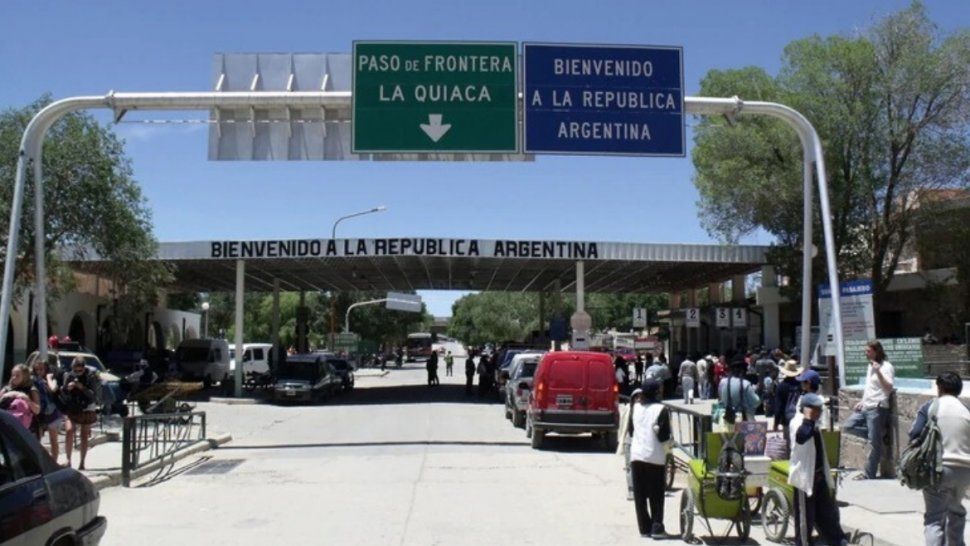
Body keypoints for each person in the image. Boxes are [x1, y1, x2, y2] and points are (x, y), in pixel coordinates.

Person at [909, 372, 970, 546]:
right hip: (965, 471)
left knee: (935, 519)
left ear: (940, 387)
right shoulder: (966, 409)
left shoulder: (931, 406)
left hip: (939, 469)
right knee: (956, 510)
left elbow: (914, 434)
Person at [789, 392, 850, 546]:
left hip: (818, 477)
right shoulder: (798, 423)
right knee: (805, 520)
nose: (820, 413)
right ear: (808, 410)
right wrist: (808, 419)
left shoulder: (813, 424)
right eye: (817, 410)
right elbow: (801, 437)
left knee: (826, 512)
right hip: (805, 479)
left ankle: (836, 540)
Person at [843, 340, 895, 479]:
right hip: (866, 406)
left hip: (877, 408)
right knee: (848, 426)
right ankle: (879, 434)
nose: (866, 353)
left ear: (876, 351)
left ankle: (869, 474)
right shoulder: (870, 366)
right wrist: (862, 401)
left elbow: (888, 388)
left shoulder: (886, 367)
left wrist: (878, 372)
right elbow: (869, 388)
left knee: (874, 444)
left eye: (868, 351)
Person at [628, 378, 671, 538]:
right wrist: (669, 450)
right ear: (656, 392)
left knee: (640, 495)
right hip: (655, 456)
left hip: (637, 455)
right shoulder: (661, 409)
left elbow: (631, 432)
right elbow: (664, 436)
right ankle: (657, 527)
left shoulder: (635, 408)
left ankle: (644, 528)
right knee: (656, 494)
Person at [58, 356, 99, 470]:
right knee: (69, 431)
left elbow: (93, 395)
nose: (77, 372)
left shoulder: (90, 376)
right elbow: (63, 392)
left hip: (87, 407)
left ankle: (82, 462)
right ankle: (68, 460)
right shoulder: (69, 375)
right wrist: (68, 388)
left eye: (80, 370)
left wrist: (82, 388)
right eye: (75, 370)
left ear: (84, 368)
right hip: (73, 407)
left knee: (84, 435)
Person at [31, 358, 64, 462]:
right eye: (37, 369)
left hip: (52, 412)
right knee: (37, 439)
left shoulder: (51, 378)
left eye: (42, 369)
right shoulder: (33, 381)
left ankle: (54, 462)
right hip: (40, 414)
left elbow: (53, 389)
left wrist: (48, 378)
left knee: (53, 439)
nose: (39, 372)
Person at [617, 388, 644, 501]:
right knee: (629, 467)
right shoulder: (628, 409)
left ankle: (642, 489)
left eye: (640, 397)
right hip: (629, 441)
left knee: (641, 466)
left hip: (642, 442)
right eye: (636, 397)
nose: (638, 399)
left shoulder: (646, 410)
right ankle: (631, 490)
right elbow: (623, 426)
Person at [774, 359, 803, 456]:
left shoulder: (781, 386)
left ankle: (789, 461)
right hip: (799, 417)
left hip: (787, 419)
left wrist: (776, 423)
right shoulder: (801, 385)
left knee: (788, 442)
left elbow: (778, 407)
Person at [718, 358, 760, 425]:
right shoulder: (746, 383)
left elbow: (721, 398)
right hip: (743, 419)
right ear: (742, 371)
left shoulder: (722, 382)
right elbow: (756, 401)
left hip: (726, 418)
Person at [0, 363, 40, 430]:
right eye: (13, 375)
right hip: (6, 427)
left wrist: (27, 399)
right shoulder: (6, 389)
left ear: (25, 377)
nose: (14, 378)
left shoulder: (31, 390)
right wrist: (5, 396)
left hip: (26, 429)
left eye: (17, 376)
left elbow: (37, 410)